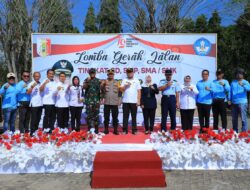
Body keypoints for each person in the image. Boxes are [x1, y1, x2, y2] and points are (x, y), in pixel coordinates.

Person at [119, 68, 141, 135]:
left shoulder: (136, 80)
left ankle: (134, 130)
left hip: (134, 101)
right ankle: (124, 130)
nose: (129, 73)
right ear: (126, 73)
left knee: (134, 116)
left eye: (131, 72)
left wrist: (138, 100)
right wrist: (125, 86)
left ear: (133, 73)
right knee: (125, 116)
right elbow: (121, 90)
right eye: (128, 72)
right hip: (125, 101)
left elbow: (139, 91)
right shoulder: (124, 80)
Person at [230, 68, 250, 132]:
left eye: (240, 73)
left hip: (243, 103)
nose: (239, 75)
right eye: (238, 73)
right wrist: (229, 99)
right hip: (234, 103)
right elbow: (230, 92)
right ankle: (235, 132)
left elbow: (249, 89)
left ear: (243, 75)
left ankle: (244, 133)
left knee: (243, 119)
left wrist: (243, 85)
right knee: (234, 119)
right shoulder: (233, 82)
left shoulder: (245, 82)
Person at [83, 68, 102, 134]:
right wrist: (87, 82)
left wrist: (101, 99)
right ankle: (90, 129)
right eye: (91, 73)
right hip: (89, 101)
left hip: (96, 101)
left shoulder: (98, 81)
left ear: (95, 73)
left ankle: (96, 129)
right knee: (89, 116)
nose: (92, 74)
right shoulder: (86, 80)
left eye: (93, 72)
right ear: (89, 73)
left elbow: (101, 91)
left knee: (96, 116)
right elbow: (84, 87)